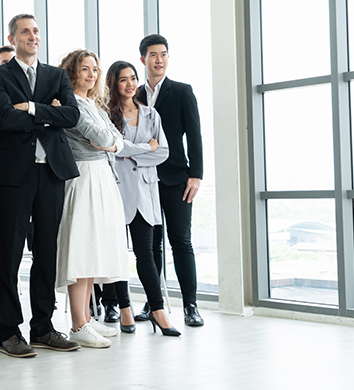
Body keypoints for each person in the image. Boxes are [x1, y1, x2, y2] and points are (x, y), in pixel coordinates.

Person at [0, 14, 81, 358]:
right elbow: (5, 118)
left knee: (46, 253)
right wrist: (47, 113)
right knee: (9, 255)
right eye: (25, 31)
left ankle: (42, 327)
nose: (32, 36)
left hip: (50, 173)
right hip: (12, 175)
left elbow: (72, 116)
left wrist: (32, 108)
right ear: (12, 38)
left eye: (36, 31)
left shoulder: (55, 75)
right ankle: (9, 331)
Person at [55, 49, 129, 348]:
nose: (91, 74)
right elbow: (99, 138)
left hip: (101, 177)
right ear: (72, 71)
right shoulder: (70, 103)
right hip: (83, 177)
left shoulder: (93, 104)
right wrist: (108, 143)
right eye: (85, 69)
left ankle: (84, 318)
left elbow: (116, 138)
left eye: (95, 69)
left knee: (94, 246)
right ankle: (77, 323)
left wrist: (109, 143)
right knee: (82, 249)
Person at [135, 34, 204, 327]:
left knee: (181, 241)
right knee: (152, 247)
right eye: (153, 55)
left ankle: (191, 305)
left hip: (177, 178)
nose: (159, 60)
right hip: (144, 180)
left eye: (163, 54)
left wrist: (196, 175)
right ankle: (154, 303)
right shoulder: (134, 94)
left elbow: (195, 135)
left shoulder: (182, 91)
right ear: (143, 59)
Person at [107, 60, 180, 337]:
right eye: (123, 79)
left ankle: (158, 311)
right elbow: (111, 149)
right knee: (116, 254)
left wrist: (128, 150)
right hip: (115, 188)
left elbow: (162, 152)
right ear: (114, 84)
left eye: (132, 78)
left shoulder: (151, 114)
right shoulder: (107, 114)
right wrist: (141, 148)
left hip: (145, 190)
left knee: (146, 255)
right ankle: (124, 307)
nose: (129, 84)